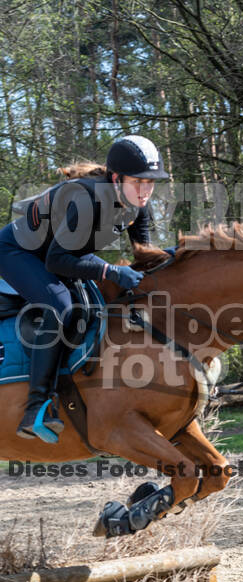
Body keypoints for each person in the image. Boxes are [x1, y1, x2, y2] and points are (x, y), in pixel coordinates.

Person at [0, 135, 169, 442]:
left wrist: (177, 257)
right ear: (116, 179)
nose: (145, 191)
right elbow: (57, 261)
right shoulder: (88, 200)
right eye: (138, 182)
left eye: (151, 183)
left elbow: (144, 257)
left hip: (58, 252)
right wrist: (111, 270)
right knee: (61, 307)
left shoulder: (138, 205)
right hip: (17, 253)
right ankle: (36, 407)